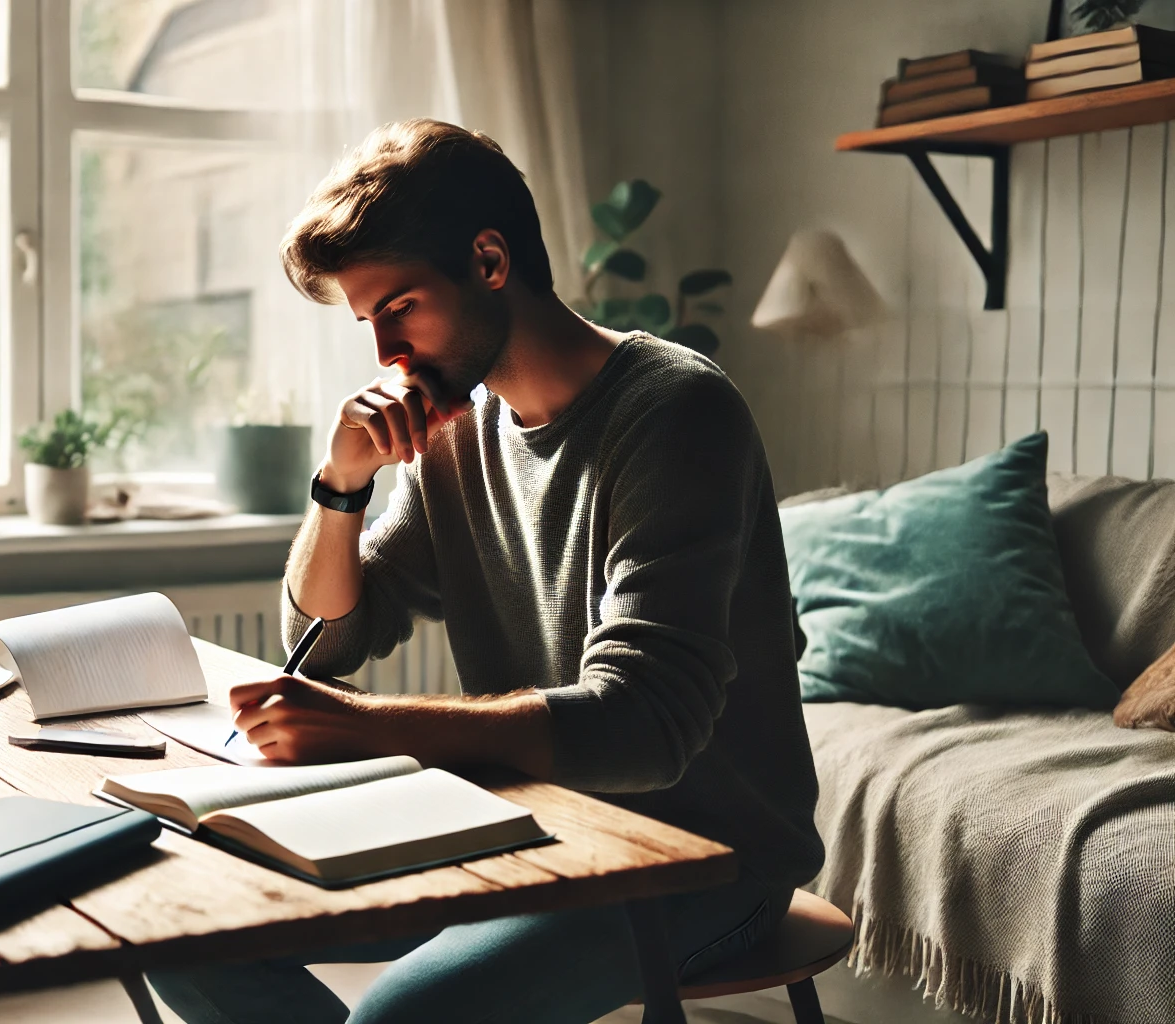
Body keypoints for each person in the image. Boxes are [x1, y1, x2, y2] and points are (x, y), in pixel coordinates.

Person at [145, 119, 825, 1024]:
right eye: (368, 323)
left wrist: (365, 730)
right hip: (522, 826)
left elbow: (648, 727)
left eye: (400, 308)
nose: (387, 353)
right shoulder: (457, 434)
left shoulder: (678, 412)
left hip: (693, 856)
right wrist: (341, 482)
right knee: (181, 924)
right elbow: (334, 634)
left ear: (492, 260)